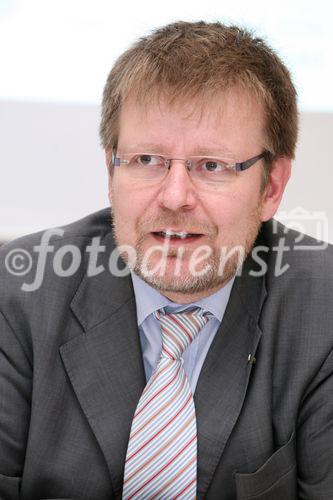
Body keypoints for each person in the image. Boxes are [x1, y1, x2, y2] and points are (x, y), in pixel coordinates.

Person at [0, 20, 332, 500]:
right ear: (110, 170)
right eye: (147, 160)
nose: (175, 197)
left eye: (212, 166)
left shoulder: (323, 312)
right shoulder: (17, 297)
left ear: (272, 188)